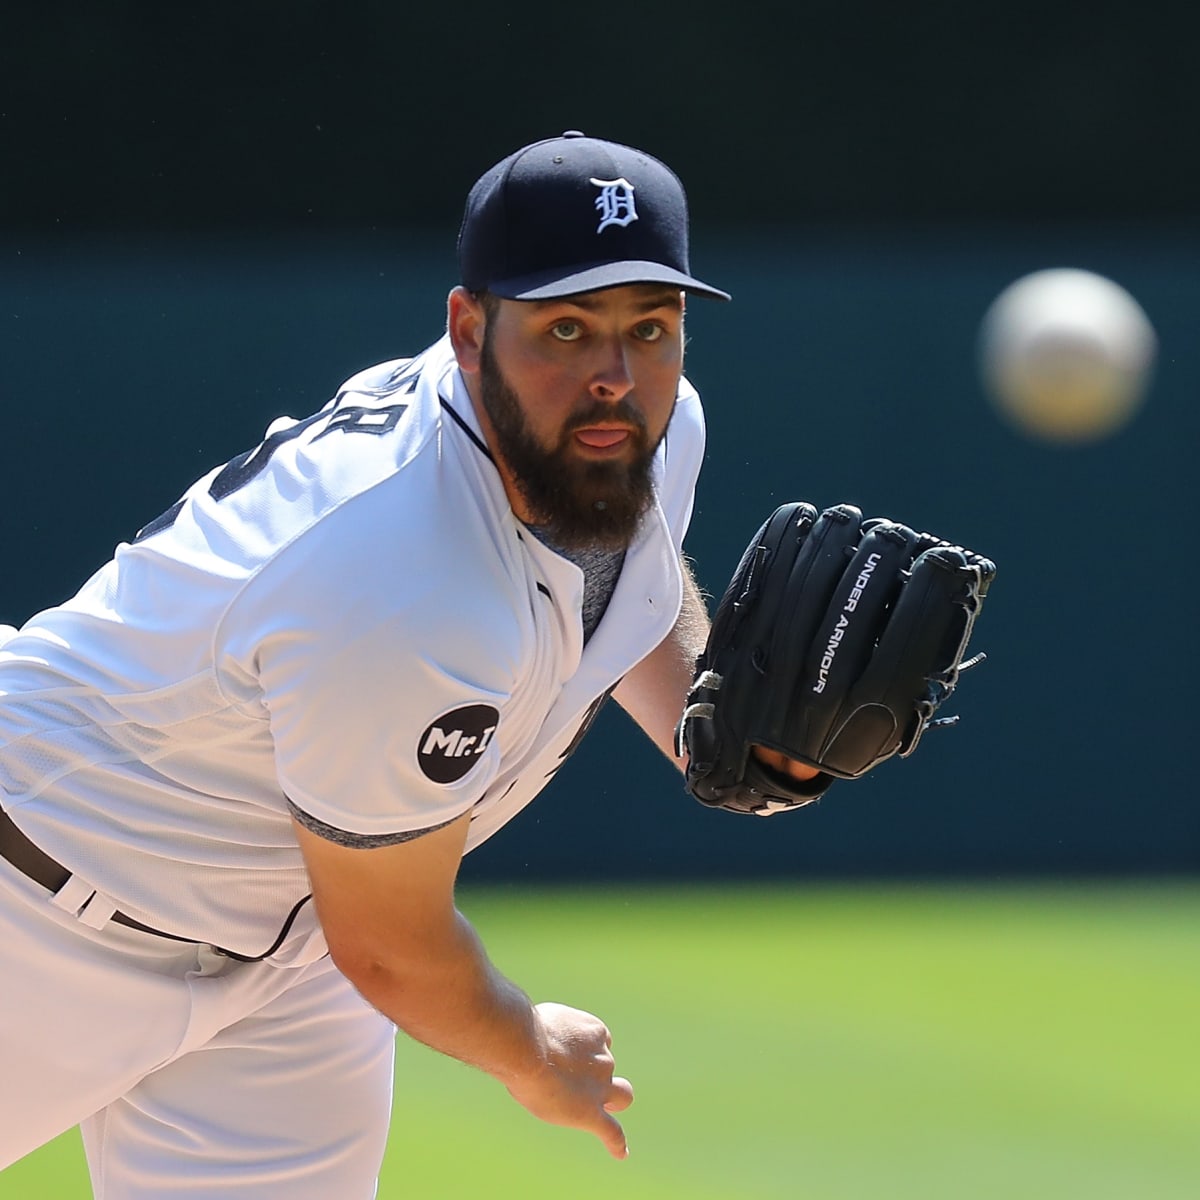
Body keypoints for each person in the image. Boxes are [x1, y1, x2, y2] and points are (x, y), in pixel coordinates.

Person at [0, 130, 816, 1197]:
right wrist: (529, 1051)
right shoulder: (404, 575)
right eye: (566, 327)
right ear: (469, 330)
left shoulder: (636, 433)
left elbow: (625, 578)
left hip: (285, 944)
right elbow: (389, 946)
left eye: (649, 328)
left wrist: (716, 734)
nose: (614, 377)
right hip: (36, 908)